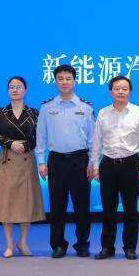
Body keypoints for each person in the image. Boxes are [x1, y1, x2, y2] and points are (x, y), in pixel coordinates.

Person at [90, 75, 139, 260]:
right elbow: (96, 142)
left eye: (124, 89)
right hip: (108, 164)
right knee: (108, 210)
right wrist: (95, 166)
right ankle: (107, 247)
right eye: (117, 88)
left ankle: (130, 247)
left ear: (130, 91)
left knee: (130, 209)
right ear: (111, 92)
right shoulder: (103, 113)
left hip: (131, 164)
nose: (120, 92)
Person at [36, 64, 94, 258]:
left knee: (82, 206)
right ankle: (58, 244)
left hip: (80, 160)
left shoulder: (85, 107)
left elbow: (93, 139)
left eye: (68, 78)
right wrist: (41, 161)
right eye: (60, 79)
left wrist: (92, 163)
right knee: (57, 206)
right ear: (55, 81)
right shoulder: (47, 107)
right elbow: (41, 137)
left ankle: (82, 244)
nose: (64, 82)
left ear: (74, 81)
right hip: (56, 161)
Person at [0, 76, 45, 257]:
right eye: (12, 87)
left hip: (27, 158)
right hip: (8, 159)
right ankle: (9, 244)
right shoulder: (0, 112)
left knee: (26, 201)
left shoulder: (34, 113)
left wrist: (26, 146)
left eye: (19, 87)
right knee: (6, 201)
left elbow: (40, 136)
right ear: (7, 91)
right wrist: (11, 143)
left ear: (25, 90)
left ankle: (23, 241)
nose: (15, 90)